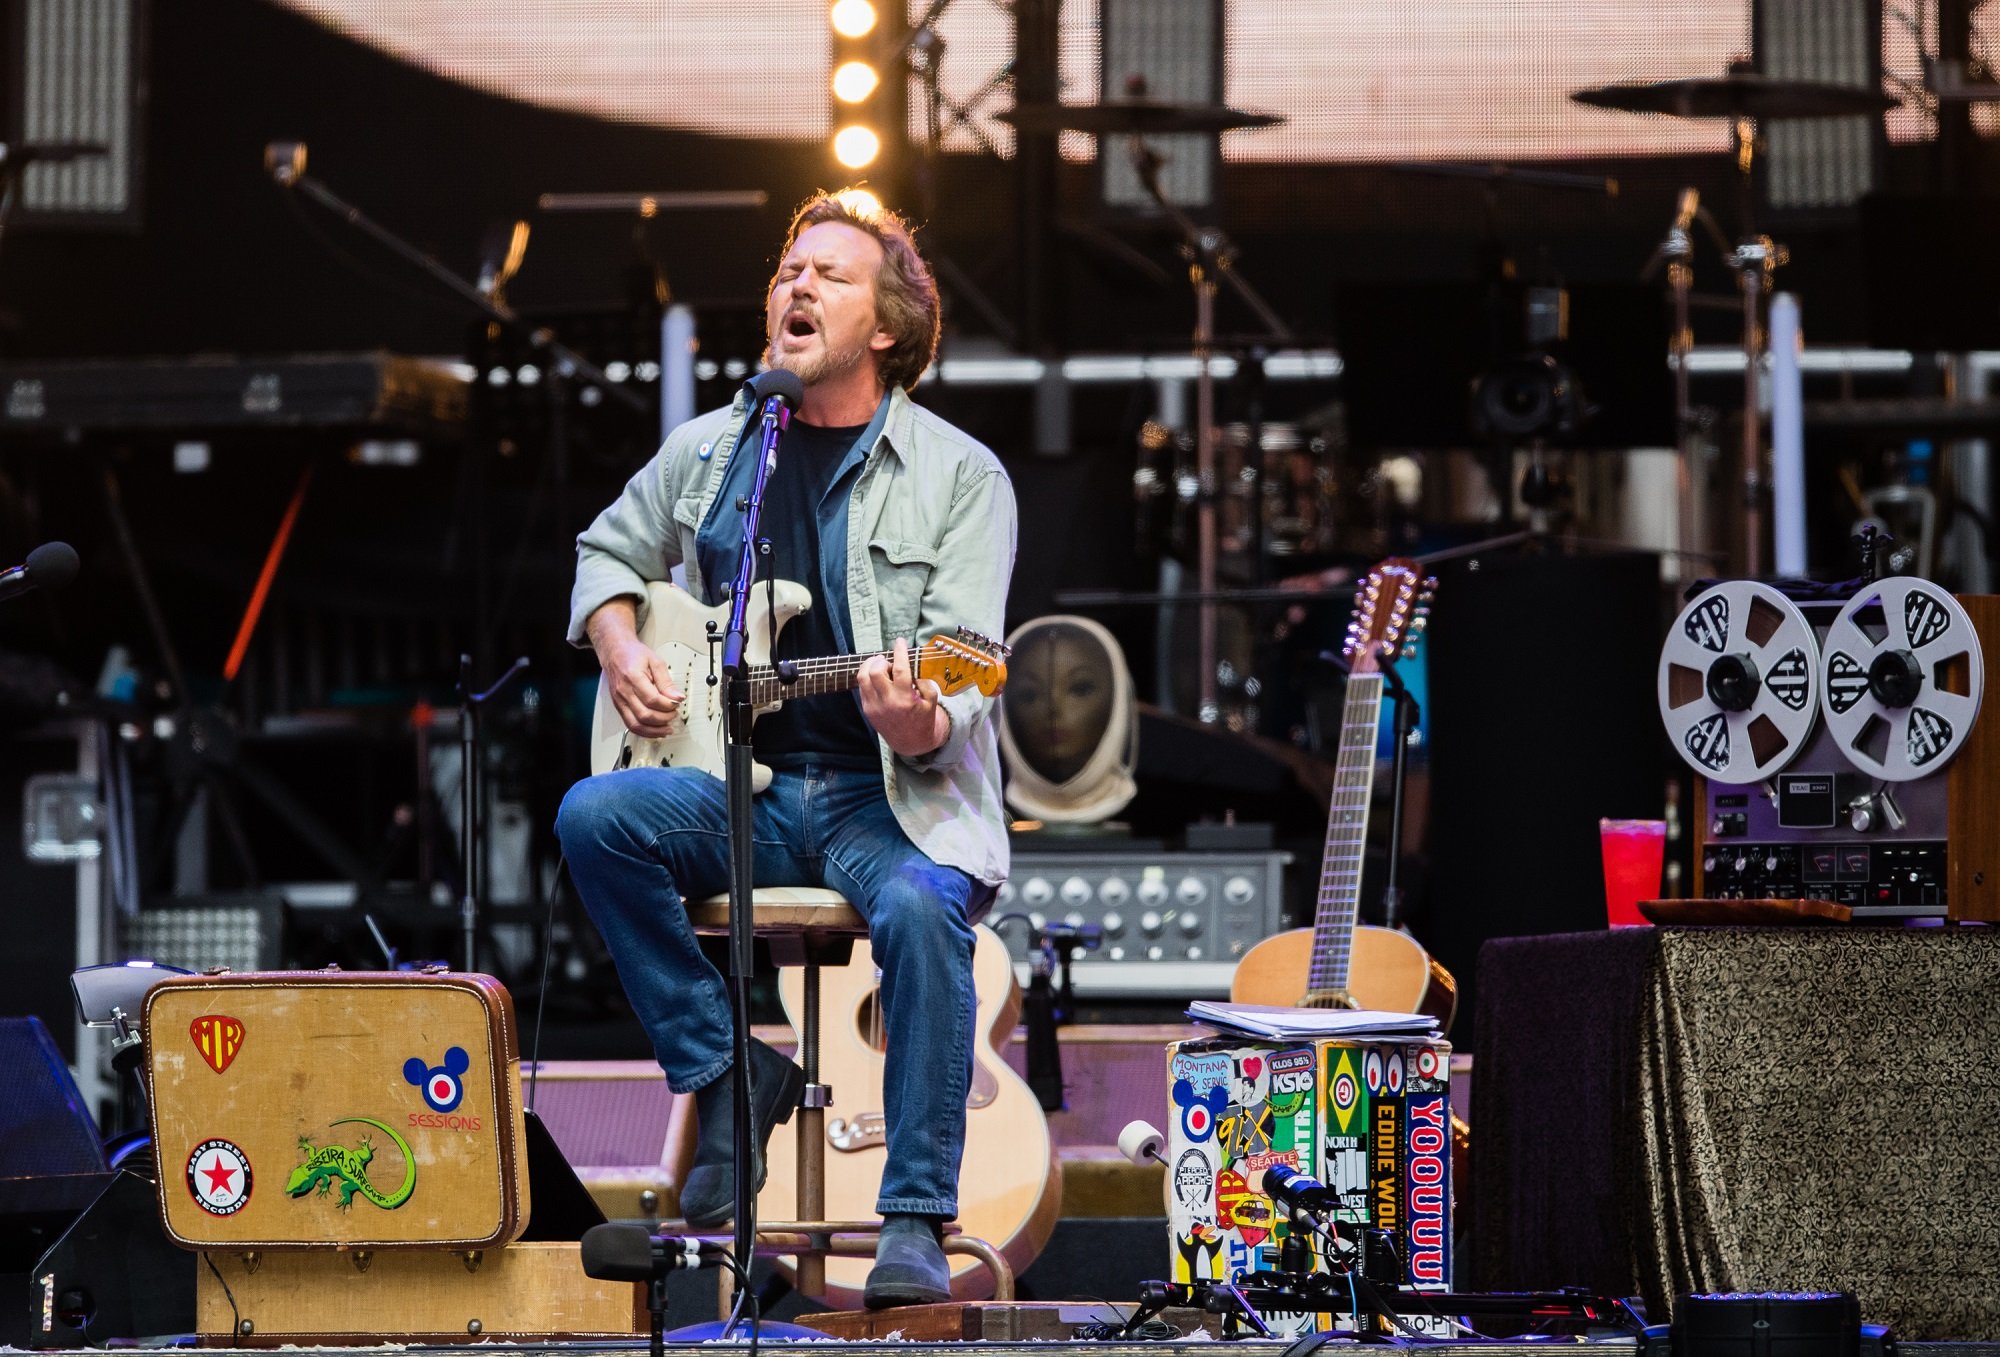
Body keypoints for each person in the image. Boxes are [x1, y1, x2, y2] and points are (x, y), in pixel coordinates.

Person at [555, 191, 1016, 1309]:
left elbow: (953, 686)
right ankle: (729, 1074)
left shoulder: (960, 475)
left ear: (889, 329)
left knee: (917, 909)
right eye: (786, 272)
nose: (795, 288)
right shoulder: (716, 448)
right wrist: (620, 646)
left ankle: (912, 1213)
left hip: (887, 796)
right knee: (592, 817)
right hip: (742, 791)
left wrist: (911, 711)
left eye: (830, 276)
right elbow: (604, 554)